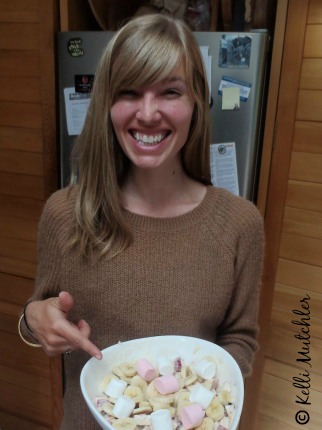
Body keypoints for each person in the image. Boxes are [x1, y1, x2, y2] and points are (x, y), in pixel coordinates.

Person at [18, 13, 264, 429]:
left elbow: (240, 338)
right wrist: (32, 319)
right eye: (128, 92)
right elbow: (38, 317)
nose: (148, 114)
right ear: (107, 105)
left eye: (170, 91)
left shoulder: (239, 224)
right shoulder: (64, 214)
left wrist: (197, 399)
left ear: (196, 101)